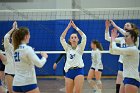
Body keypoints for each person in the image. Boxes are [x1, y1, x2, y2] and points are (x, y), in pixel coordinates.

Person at [105, 20, 139, 93]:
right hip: (125, 74)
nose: (125, 27)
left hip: (132, 78)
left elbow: (115, 49)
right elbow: (112, 51)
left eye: (128, 25)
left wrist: (114, 28)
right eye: (125, 25)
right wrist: (108, 29)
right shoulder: (123, 40)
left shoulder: (134, 46)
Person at [12, 27, 48, 93]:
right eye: (29, 35)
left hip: (16, 84)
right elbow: (39, 64)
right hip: (28, 83)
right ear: (26, 36)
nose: (30, 36)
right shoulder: (28, 49)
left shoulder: (15, 50)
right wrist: (44, 57)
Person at [60, 20, 87, 93]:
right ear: (70, 40)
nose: (74, 38)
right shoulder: (67, 48)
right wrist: (68, 27)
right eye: (72, 37)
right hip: (69, 72)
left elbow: (84, 37)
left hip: (78, 71)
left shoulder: (80, 47)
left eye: (75, 37)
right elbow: (62, 38)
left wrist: (75, 27)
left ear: (78, 39)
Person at [4, 21, 17, 93]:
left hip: (18, 73)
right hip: (9, 72)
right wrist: (13, 28)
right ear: (11, 38)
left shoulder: (21, 48)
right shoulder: (8, 46)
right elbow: (6, 37)